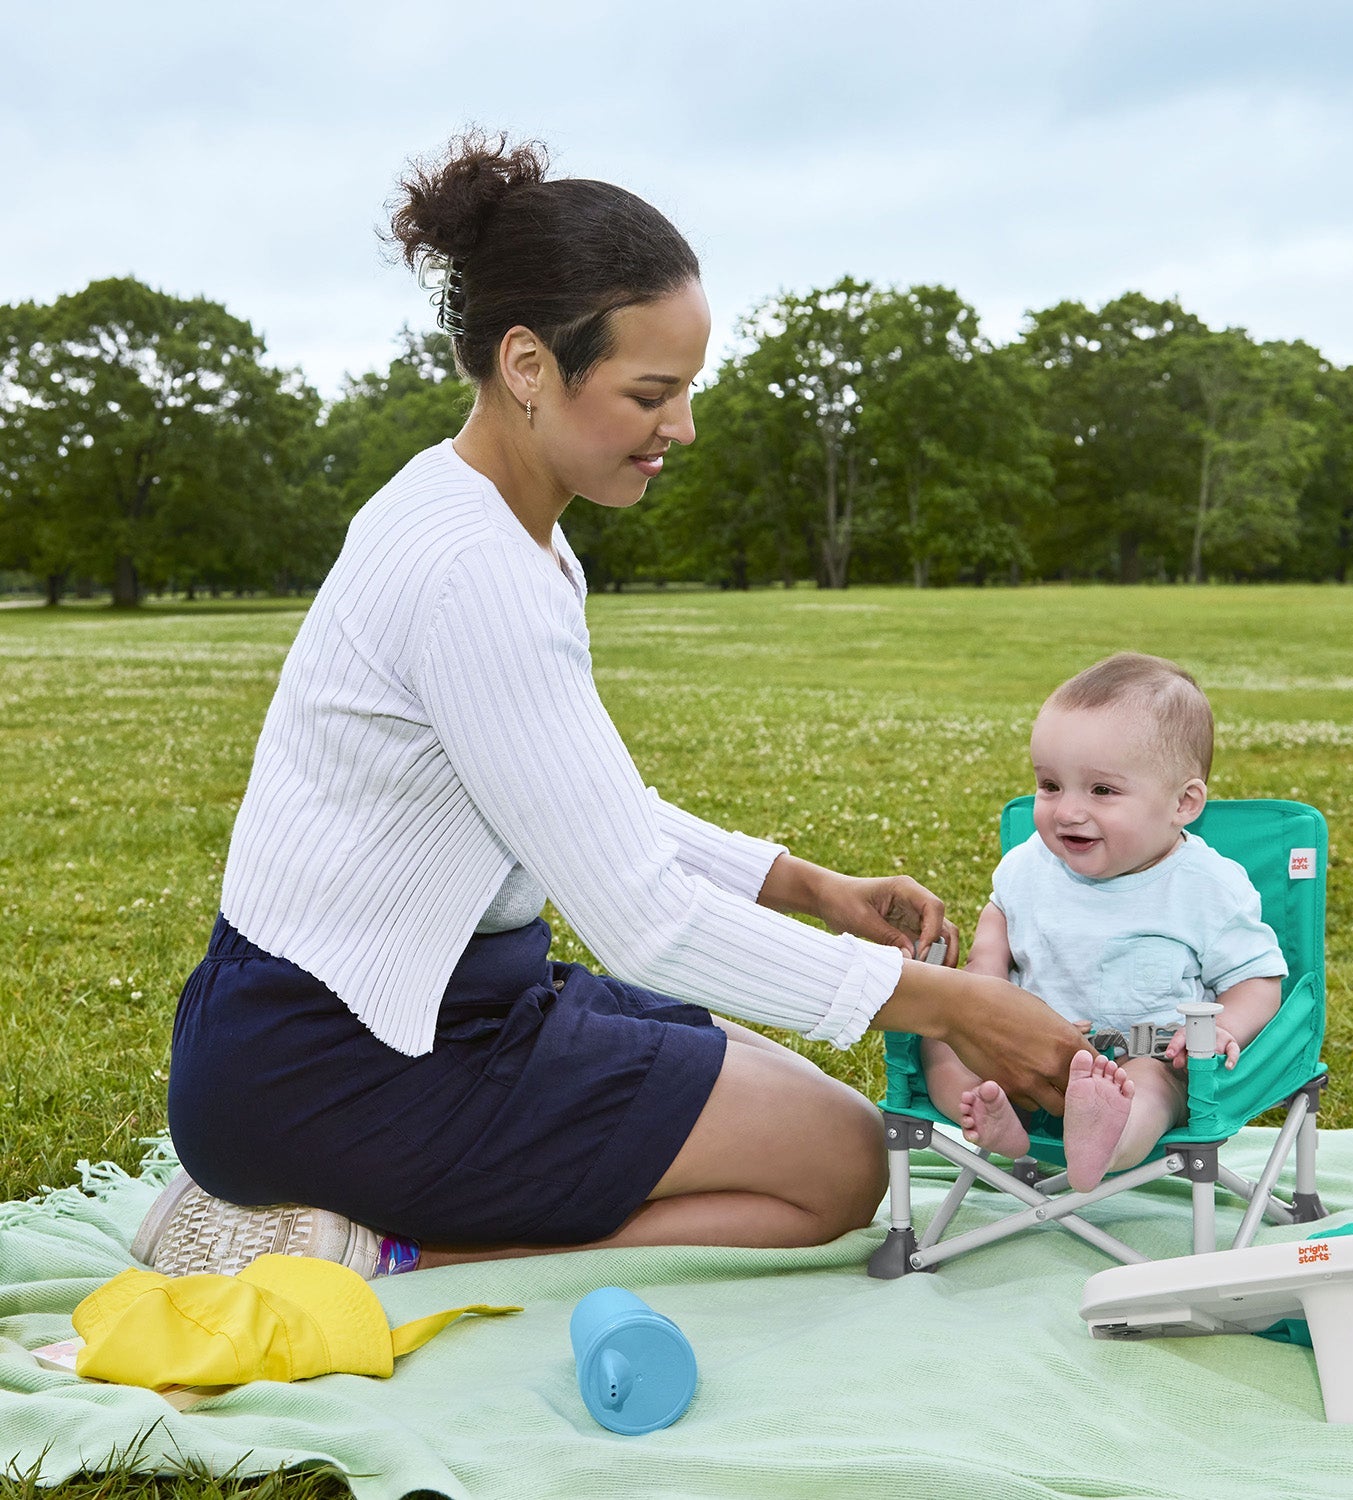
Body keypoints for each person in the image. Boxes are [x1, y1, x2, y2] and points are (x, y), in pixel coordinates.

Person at [136, 130, 1086, 1279]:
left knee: (817, 1123)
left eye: (686, 391)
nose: (681, 427)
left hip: (433, 1011)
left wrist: (807, 887)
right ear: (531, 366)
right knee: (840, 1166)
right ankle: (365, 1248)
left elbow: (580, 805)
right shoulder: (468, 567)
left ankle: (358, 1223)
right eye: (653, 392)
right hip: (340, 1063)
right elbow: (646, 922)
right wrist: (948, 1005)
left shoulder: (503, 531)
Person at [921, 653, 1287, 1193]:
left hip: (1146, 1053)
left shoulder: (1206, 886)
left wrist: (1223, 1027)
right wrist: (985, 984)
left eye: (1102, 791)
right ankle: (986, 1116)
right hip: (1024, 1046)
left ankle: (1107, 1140)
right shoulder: (1031, 864)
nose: (1067, 811)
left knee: (1155, 1089)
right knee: (940, 1037)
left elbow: (1259, 981)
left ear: (1183, 803)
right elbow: (996, 930)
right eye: (1049, 785)